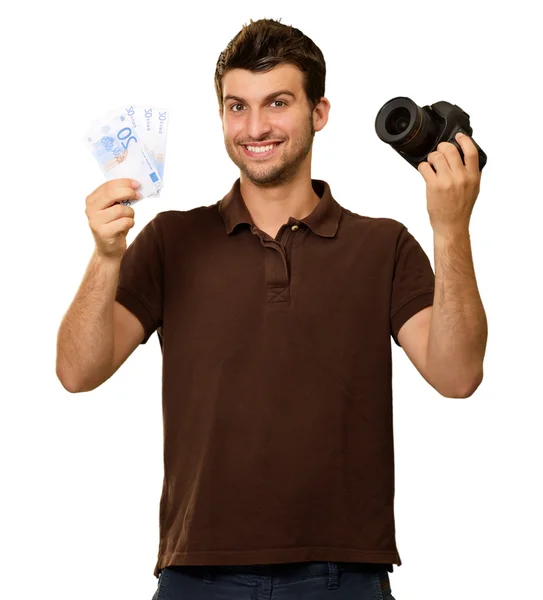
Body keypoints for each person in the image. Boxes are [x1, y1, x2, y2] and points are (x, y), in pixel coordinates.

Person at [56, 17, 487, 600]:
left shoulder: (383, 245)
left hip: (344, 577)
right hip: (195, 575)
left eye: (277, 102)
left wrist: (451, 229)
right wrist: (107, 256)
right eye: (237, 107)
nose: (255, 127)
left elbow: (457, 375)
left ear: (319, 112)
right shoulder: (169, 240)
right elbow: (77, 373)